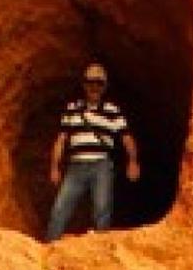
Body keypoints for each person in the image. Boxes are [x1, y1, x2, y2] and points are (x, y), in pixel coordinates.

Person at [44, 62, 140, 242]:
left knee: (101, 210)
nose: (94, 86)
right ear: (84, 84)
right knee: (60, 208)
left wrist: (133, 162)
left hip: (101, 165)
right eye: (90, 82)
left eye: (98, 82)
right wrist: (55, 167)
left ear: (104, 86)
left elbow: (126, 138)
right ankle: (50, 247)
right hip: (75, 166)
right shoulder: (73, 108)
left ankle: (100, 251)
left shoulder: (112, 111)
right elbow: (61, 139)